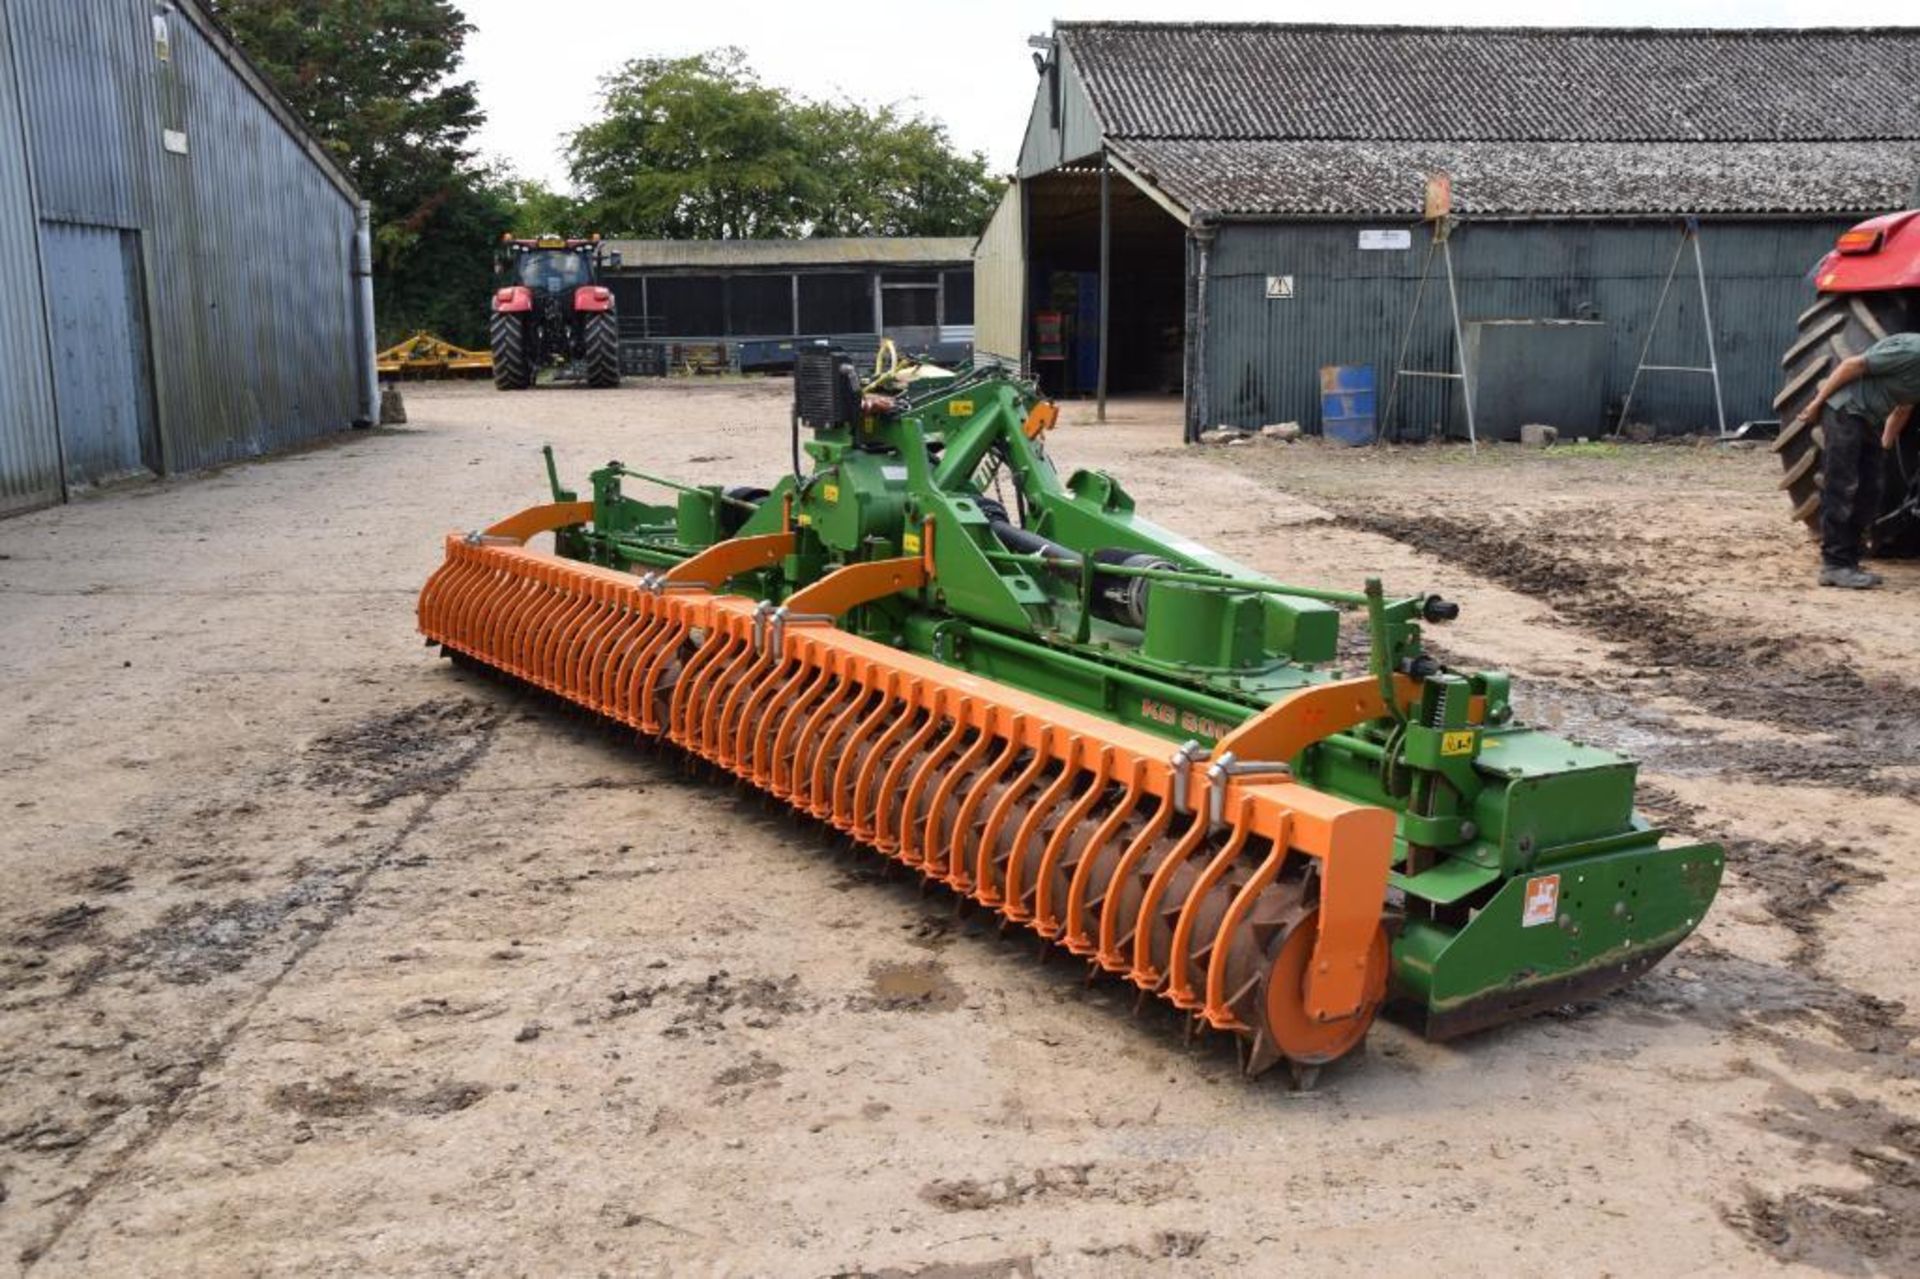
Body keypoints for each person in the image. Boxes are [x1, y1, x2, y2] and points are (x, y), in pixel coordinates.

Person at [1796, 331, 1920, 588]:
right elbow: (1853, 364)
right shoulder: (1913, 352)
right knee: (1842, 486)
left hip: (1869, 420)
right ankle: (1834, 564)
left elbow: (1902, 409)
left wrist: (1884, 447)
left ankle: (1849, 561)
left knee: (1870, 491)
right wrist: (1817, 403)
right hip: (1845, 410)